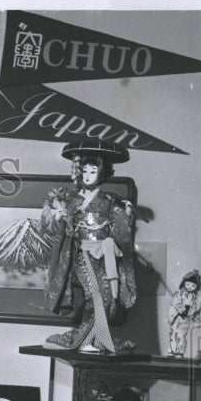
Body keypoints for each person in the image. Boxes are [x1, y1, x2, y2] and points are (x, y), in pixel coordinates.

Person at [42, 140, 137, 353]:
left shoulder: (110, 201)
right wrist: (58, 216)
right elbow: (52, 226)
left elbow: (120, 228)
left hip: (103, 254)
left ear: (102, 173)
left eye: (93, 171)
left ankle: (95, 340)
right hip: (82, 254)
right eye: (84, 171)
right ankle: (84, 341)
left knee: (105, 298)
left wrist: (127, 215)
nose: (87, 175)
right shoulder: (71, 201)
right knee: (97, 295)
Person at [168, 269, 201, 357]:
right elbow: (175, 303)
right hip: (176, 317)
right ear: (184, 283)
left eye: (193, 285)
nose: (190, 287)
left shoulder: (196, 298)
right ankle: (171, 350)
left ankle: (179, 351)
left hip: (185, 319)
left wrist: (192, 312)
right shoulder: (178, 294)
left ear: (197, 287)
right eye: (188, 284)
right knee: (173, 333)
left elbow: (197, 309)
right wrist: (180, 308)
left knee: (181, 335)